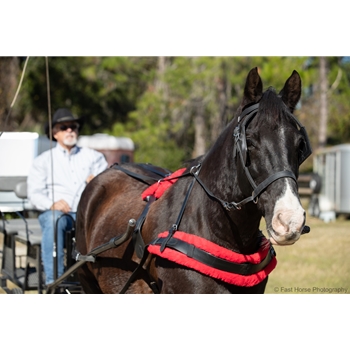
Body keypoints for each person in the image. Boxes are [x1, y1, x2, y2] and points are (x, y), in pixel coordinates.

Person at [27, 108, 108, 286]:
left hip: (87, 215)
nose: (70, 130)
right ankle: (54, 281)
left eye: (73, 126)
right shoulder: (43, 161)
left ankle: (104, 280)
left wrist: (99, 182)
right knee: (55, 219)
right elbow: (34, 194)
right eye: (64, 127)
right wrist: (52, 203)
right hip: (58, 215)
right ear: (54, 133)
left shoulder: (94, 157)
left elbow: (109, 185)